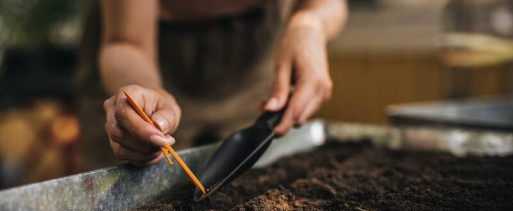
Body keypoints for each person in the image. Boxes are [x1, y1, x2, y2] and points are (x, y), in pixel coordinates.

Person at [78, 0, 348, 169]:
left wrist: (310, 25)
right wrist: (147, 95)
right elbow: (128, 42)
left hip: (254, 72)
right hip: (143, 58)